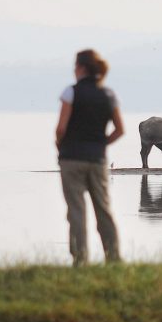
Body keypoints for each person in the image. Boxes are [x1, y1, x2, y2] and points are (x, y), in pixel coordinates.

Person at [55, 49, 124, 266]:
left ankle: (80, 259)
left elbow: (60, 129)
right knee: (103, 209)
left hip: (72, 159)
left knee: (76, 211)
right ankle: (113, 257)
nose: (74, 70)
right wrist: (102, 143)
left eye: (75, 66)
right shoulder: (109, 95)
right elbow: (120, 129)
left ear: (82, 68)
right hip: (97, 160)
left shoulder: (70, 92)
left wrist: (61, 146)